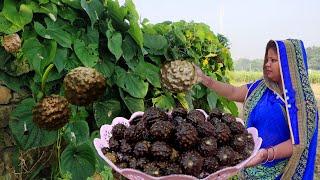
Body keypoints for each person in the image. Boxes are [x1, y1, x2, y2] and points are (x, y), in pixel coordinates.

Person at [195, 39, 318, 179]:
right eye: (267, 59)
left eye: (273, 60)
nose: (267, 64)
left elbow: (299, 143)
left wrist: (267, 154)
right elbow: (233, 92)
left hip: (282, 172)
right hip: (251, 166)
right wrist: (205, 80)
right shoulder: (260, 88)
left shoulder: (303, 102)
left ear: (288, 64)